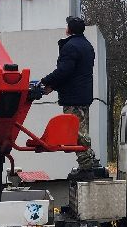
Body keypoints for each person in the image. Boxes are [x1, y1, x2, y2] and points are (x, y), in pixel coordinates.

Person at [37, 15, 101, 175]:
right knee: (82, 129)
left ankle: (86, 166)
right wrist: (53, 85)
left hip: (74, 96)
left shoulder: (71, 47)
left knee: (77, 132)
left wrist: (45, 82)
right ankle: (90, 160)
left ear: (69, 29)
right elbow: (74, 73)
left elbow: (64, 71)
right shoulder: (87, 46)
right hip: (83, 94)